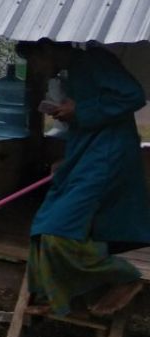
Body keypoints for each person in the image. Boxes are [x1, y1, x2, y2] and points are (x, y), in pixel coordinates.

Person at [27, 42, 150, 317]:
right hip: (86, 153)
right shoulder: (73, 71)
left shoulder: (94, 60)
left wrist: (80, 110)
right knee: (43, 223)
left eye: (34, 61)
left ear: (46, 50)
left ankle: (125, 277)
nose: (35, 70)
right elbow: (92, 114)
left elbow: (133, 96)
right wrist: (70, 117)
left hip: (106, 157)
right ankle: (55, 295)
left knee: (57, 230)